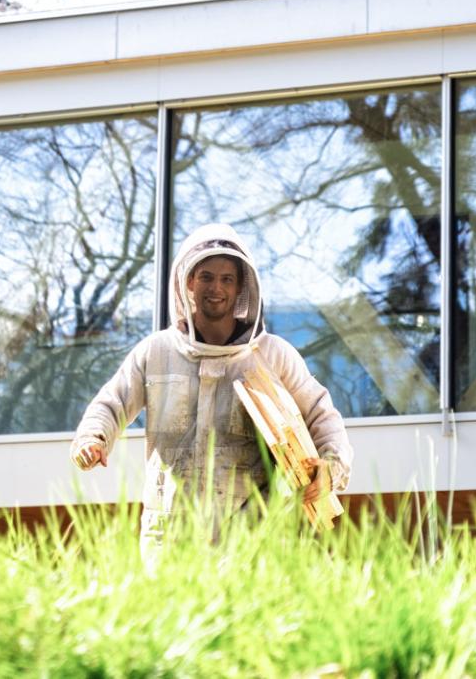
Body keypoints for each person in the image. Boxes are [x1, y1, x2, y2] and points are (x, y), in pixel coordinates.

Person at [70, 222, 353, 553]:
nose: (216, 287)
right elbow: (111, 403)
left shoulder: (273, 355)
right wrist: (92, 439)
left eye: (227, 279)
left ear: (241, 286)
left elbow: (321, 415)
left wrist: (331, 466)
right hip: (168, 535)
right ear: (189, 281)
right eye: (206, 277)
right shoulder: (156, 352)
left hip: (251, 534)